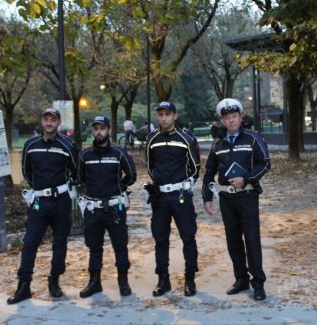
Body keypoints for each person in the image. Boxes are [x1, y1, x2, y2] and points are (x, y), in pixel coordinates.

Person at [7, 108, 78, 305]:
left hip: (61, 200)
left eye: (52, 120)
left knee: (60, 242)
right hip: (39, 201)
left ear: (58, 122)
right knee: (30, 242)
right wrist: (40, 188)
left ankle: (54, 280)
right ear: (41, 122)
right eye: (46, 119)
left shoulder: (68, 145)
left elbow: (75, 171)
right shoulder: (31, 144)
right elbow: (26, 172)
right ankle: (24, 285)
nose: (49, 123)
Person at [202, 98, 271, 301]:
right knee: (233, 242)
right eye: (227, 118)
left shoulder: (253, 138)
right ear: (223, 121)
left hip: (248, 196)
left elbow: (265, 163)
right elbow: (209, 172)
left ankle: (258, 284)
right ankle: (241, 279)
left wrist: (246, 178)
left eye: (234, 117)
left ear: (240, 118)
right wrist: (207, 197)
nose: (231, 121)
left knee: (251, 240)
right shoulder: (218, 144)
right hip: (226, 198)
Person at [144, 101, 200, 297]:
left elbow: (195, 167)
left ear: (175, 116)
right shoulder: (152, 138)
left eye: (168, 114)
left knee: (188, 238)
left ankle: (190, 279)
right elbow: (150, 166)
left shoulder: (186, 138)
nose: (164, 118)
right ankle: (163, 280)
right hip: (160, 197)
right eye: (160, 114)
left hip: (180, 195)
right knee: (160, 239)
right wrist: (159, 180)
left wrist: (183, 183)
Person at [78, 115, 137, 298]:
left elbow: (132, 175)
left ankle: (123, 282)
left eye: (102, 128)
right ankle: (95, 282)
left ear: (109, 130)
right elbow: (80, 178)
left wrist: (119, 187)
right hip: (93, 208)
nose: (98, 132)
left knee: (120, 246)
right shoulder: (85, 155)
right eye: (95, 129)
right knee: (94, 247)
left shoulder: (118, 153)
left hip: (114, 208)